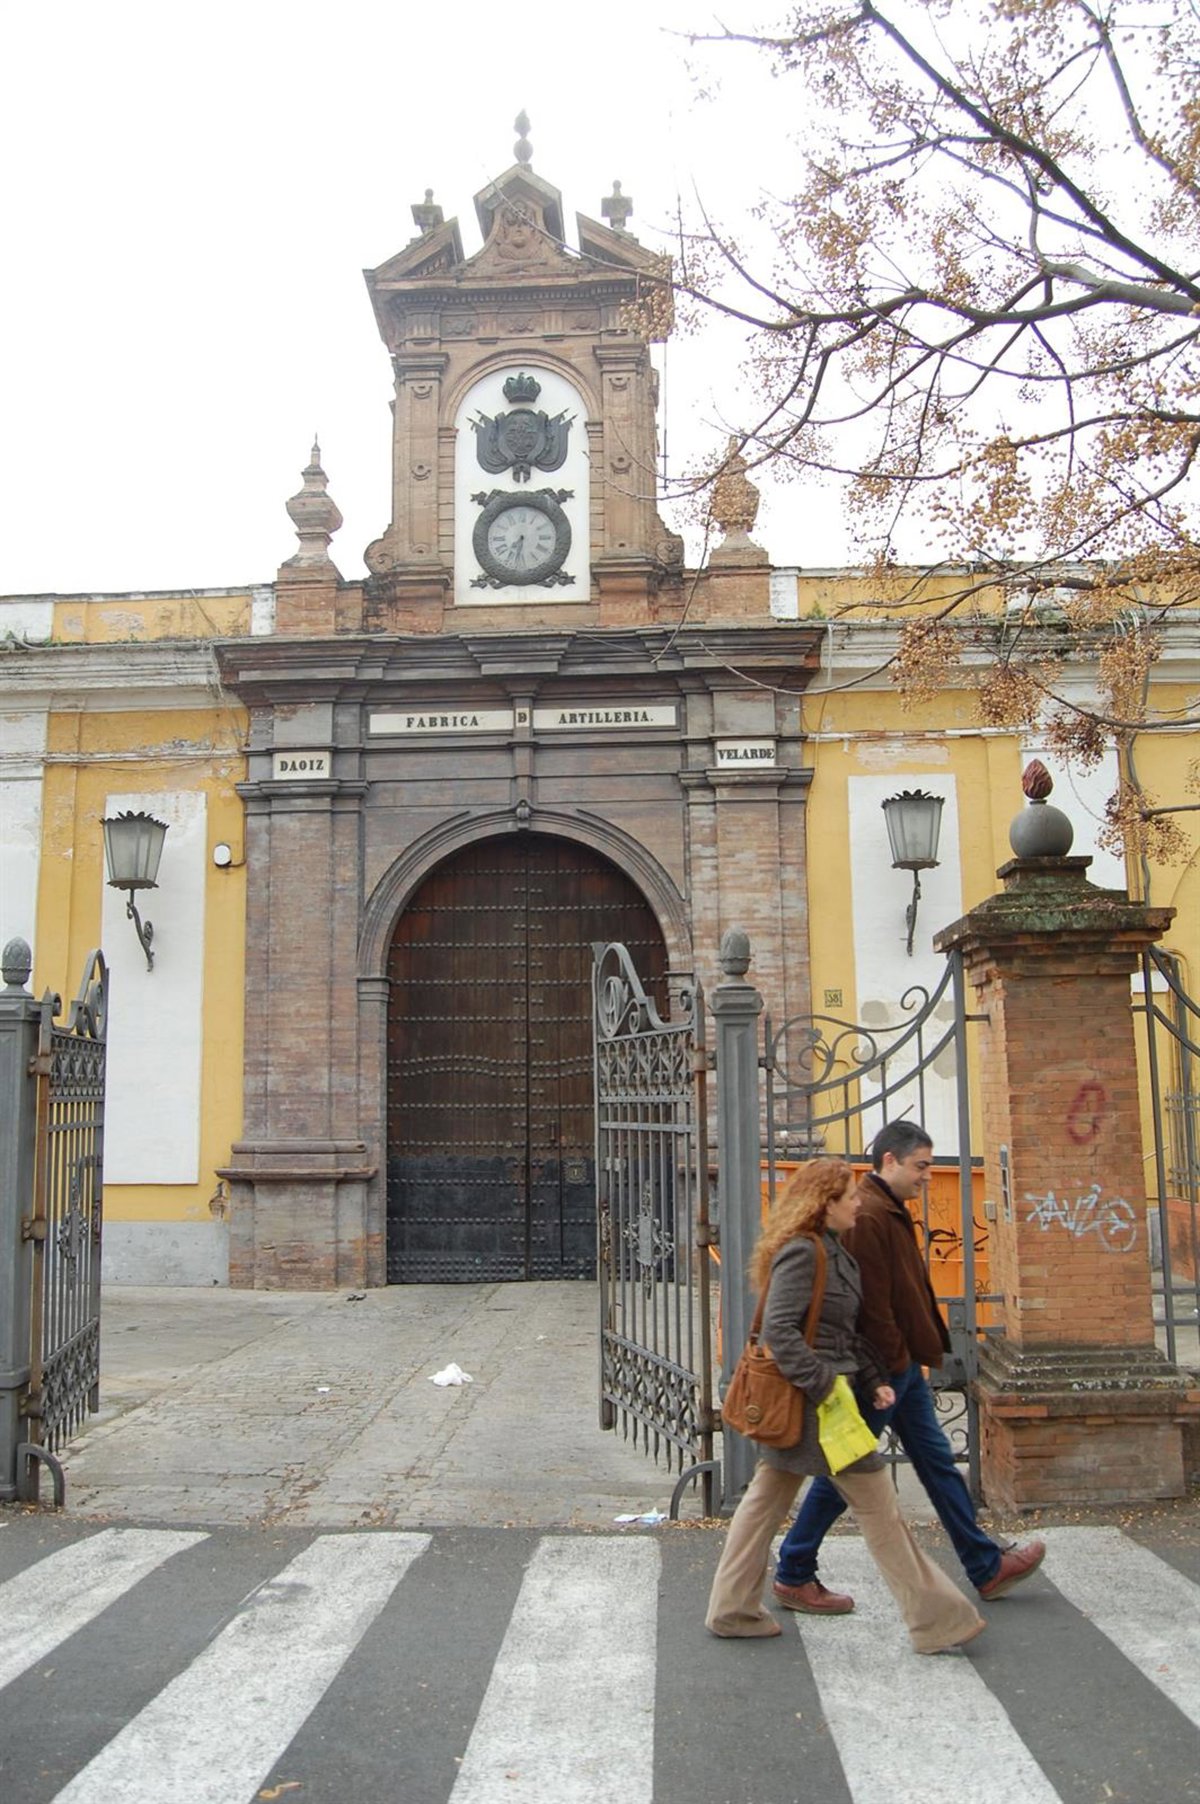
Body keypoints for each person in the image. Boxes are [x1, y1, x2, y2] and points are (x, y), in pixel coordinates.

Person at [706, 1157, 985, 1654]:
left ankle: (732, 1609)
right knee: (879, 1508)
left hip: (823, 1401)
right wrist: (823, 1385)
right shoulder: (803, 1252)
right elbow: (779, 1332)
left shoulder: (834, 1251)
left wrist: (873, 1379)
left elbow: (842, 1333)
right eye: (849, 1196)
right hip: (817, 1406)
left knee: (765, 1504)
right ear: (825, 1204)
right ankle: (938, 1620)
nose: (858, 1203)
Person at [773, 1121, 1045, 1616]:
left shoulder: (888, 1209)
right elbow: (870, 1307)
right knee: (848, 1473)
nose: (927, 1175)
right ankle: (793, 1569)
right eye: (921, 1165)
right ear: (889, 1161)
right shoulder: (871, 1215)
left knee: (934, 1463)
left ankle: (986, 1565)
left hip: (897, 1366)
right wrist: (889, 1370)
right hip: (881, 1370)